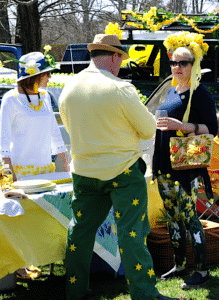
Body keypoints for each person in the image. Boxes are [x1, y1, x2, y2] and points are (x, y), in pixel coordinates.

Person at [59, 34, 180, 300]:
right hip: (122, 171)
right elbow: (148, 129)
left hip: (84, 172)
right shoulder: (119, 88)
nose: (120, 65)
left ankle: (75, 290)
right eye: (121, 59)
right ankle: (144, 294)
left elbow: (70, 128)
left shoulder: (68, 88)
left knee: (79, 231)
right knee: (132, 234)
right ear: (114, 56)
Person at [152, 31, 218, 289]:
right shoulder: (171, 90)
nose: (177, 67)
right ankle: (179, 264)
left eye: (183, 63)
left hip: (186, 167)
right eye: (173, 62)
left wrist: (184, 125)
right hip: (165, 165)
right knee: (173, 218)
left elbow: (212, 129)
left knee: (190, 218)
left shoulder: (200, 93)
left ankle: (202, 271)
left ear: (195, 65)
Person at [0, 50, 69, 182]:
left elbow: (55, 133)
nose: (50, 77)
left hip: (46, 173)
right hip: (19, 176)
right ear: (35, 76)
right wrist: (10, 180)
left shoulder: (45, 96)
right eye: (47, 73)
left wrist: (67, 165)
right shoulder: (10, 99)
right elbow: (3, 145)